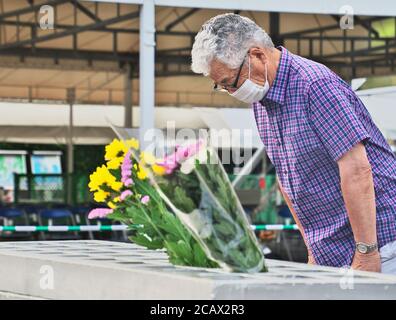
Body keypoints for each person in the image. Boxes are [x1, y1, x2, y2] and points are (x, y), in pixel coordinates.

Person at [191, 13, 396, 274]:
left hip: (380, 246)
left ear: (257, 56)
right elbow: (287, 179)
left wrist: (366, 252)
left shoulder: (315, 86)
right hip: (332, 253)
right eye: (220, 86)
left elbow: (356, 169)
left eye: (230, 82)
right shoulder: (262, 102)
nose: (231, 93)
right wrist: (313, 250)